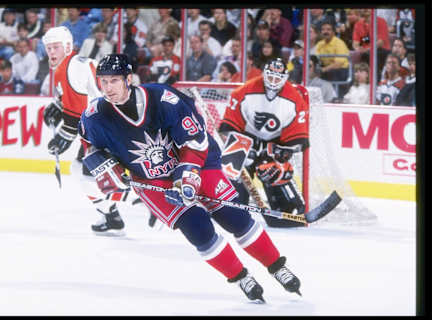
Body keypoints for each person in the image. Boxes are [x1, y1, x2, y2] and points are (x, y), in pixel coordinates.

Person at [78, 53, 302, 303]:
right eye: (103, 81)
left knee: (234, 217)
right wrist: (104, 166)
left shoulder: (162, 98)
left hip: (197, 161)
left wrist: (187, 177)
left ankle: (277, 267)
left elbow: (196, 140)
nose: (108, 88)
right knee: (198, 229)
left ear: (128, 79)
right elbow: (90, 146)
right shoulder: (94, 116)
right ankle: (241, 277)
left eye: (114, 81)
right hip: (153, 181)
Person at [41, 26, 128, 236]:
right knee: (81, 171)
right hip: (108, 127)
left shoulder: (68, 68)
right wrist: (59, 105)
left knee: (89, 177)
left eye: (56, 47)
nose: (52, 52)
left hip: (109, 129)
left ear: (68, 46)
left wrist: (65, 135)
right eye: (49, 48)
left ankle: (134, 199)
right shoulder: (73, 64)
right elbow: (88, 96)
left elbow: (79, 109)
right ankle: (112, 215)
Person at [218, 58, 309, 228]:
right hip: (244, 139)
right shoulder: (243, 91)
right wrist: (244, 151)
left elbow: (298, 139)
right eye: (270, 76)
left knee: (274, 169)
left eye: (278, 78)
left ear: (285, 78)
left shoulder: (295, 99)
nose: (273, 82)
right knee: (232, 174)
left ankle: (285, 208)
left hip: (272, 144)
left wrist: (282, 153)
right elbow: (227, 128)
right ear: (264, 73)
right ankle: (230, 206)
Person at [315, 19, 350, 99]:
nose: (325, 32)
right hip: (326, 69)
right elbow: (315, 58)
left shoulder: (339, 43)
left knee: (332, 73)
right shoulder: (320, 44)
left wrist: (324, 69)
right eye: (323, 30)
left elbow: (339, 64)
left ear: (333, 32)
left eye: (328, 29)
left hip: (341, 71)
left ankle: (336, 98)